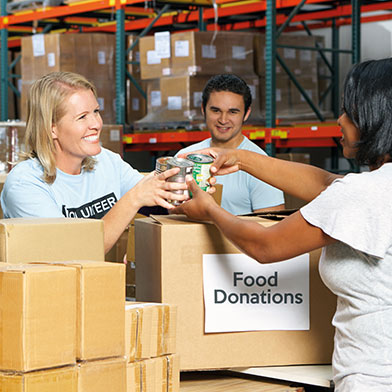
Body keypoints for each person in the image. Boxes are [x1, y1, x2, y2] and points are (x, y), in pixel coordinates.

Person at [174, 58, 392, 391]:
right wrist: (242, 158)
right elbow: (326, 185)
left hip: (375, 377)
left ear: (375, 117)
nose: (340, 120)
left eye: (348, 111)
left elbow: (266, 246)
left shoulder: (363, 194)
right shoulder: (374, 188)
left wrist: (210, 211)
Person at [0, 71, 188, 254]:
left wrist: (188, 176)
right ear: (52, 129)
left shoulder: (107, 162)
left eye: (96, 111)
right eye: (82, 117)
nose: (97, 124)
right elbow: (72, 254)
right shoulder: (25, 184)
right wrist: (133, 199)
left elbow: (168, 207)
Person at [175, 74, 284, 215]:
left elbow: (271, 228)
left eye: (233, 112)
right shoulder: (185, 157)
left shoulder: (262, 166)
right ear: (203, 109)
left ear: (246, 114)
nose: (223, 119)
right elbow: (170, 216)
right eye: (216, 110)